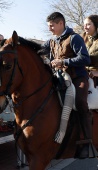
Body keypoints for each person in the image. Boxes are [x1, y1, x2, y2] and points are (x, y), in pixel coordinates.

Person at [42, 12, 96, 158]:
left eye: (52, 26)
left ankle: (86, 143)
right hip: (60, 77)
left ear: (61, 24)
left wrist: (63, 62)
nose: (50, 29)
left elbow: (85, 59)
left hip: (78, 77)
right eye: (49, 26)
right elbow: (39, 49)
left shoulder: (75, 38)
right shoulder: (52, 40)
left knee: (80, 102)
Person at [82, 15, 98, 86]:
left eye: (88, 24)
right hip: (83, 76)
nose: (85, 27)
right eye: (84, 25)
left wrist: (97, 72)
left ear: (96, 25)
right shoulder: (81, 39)